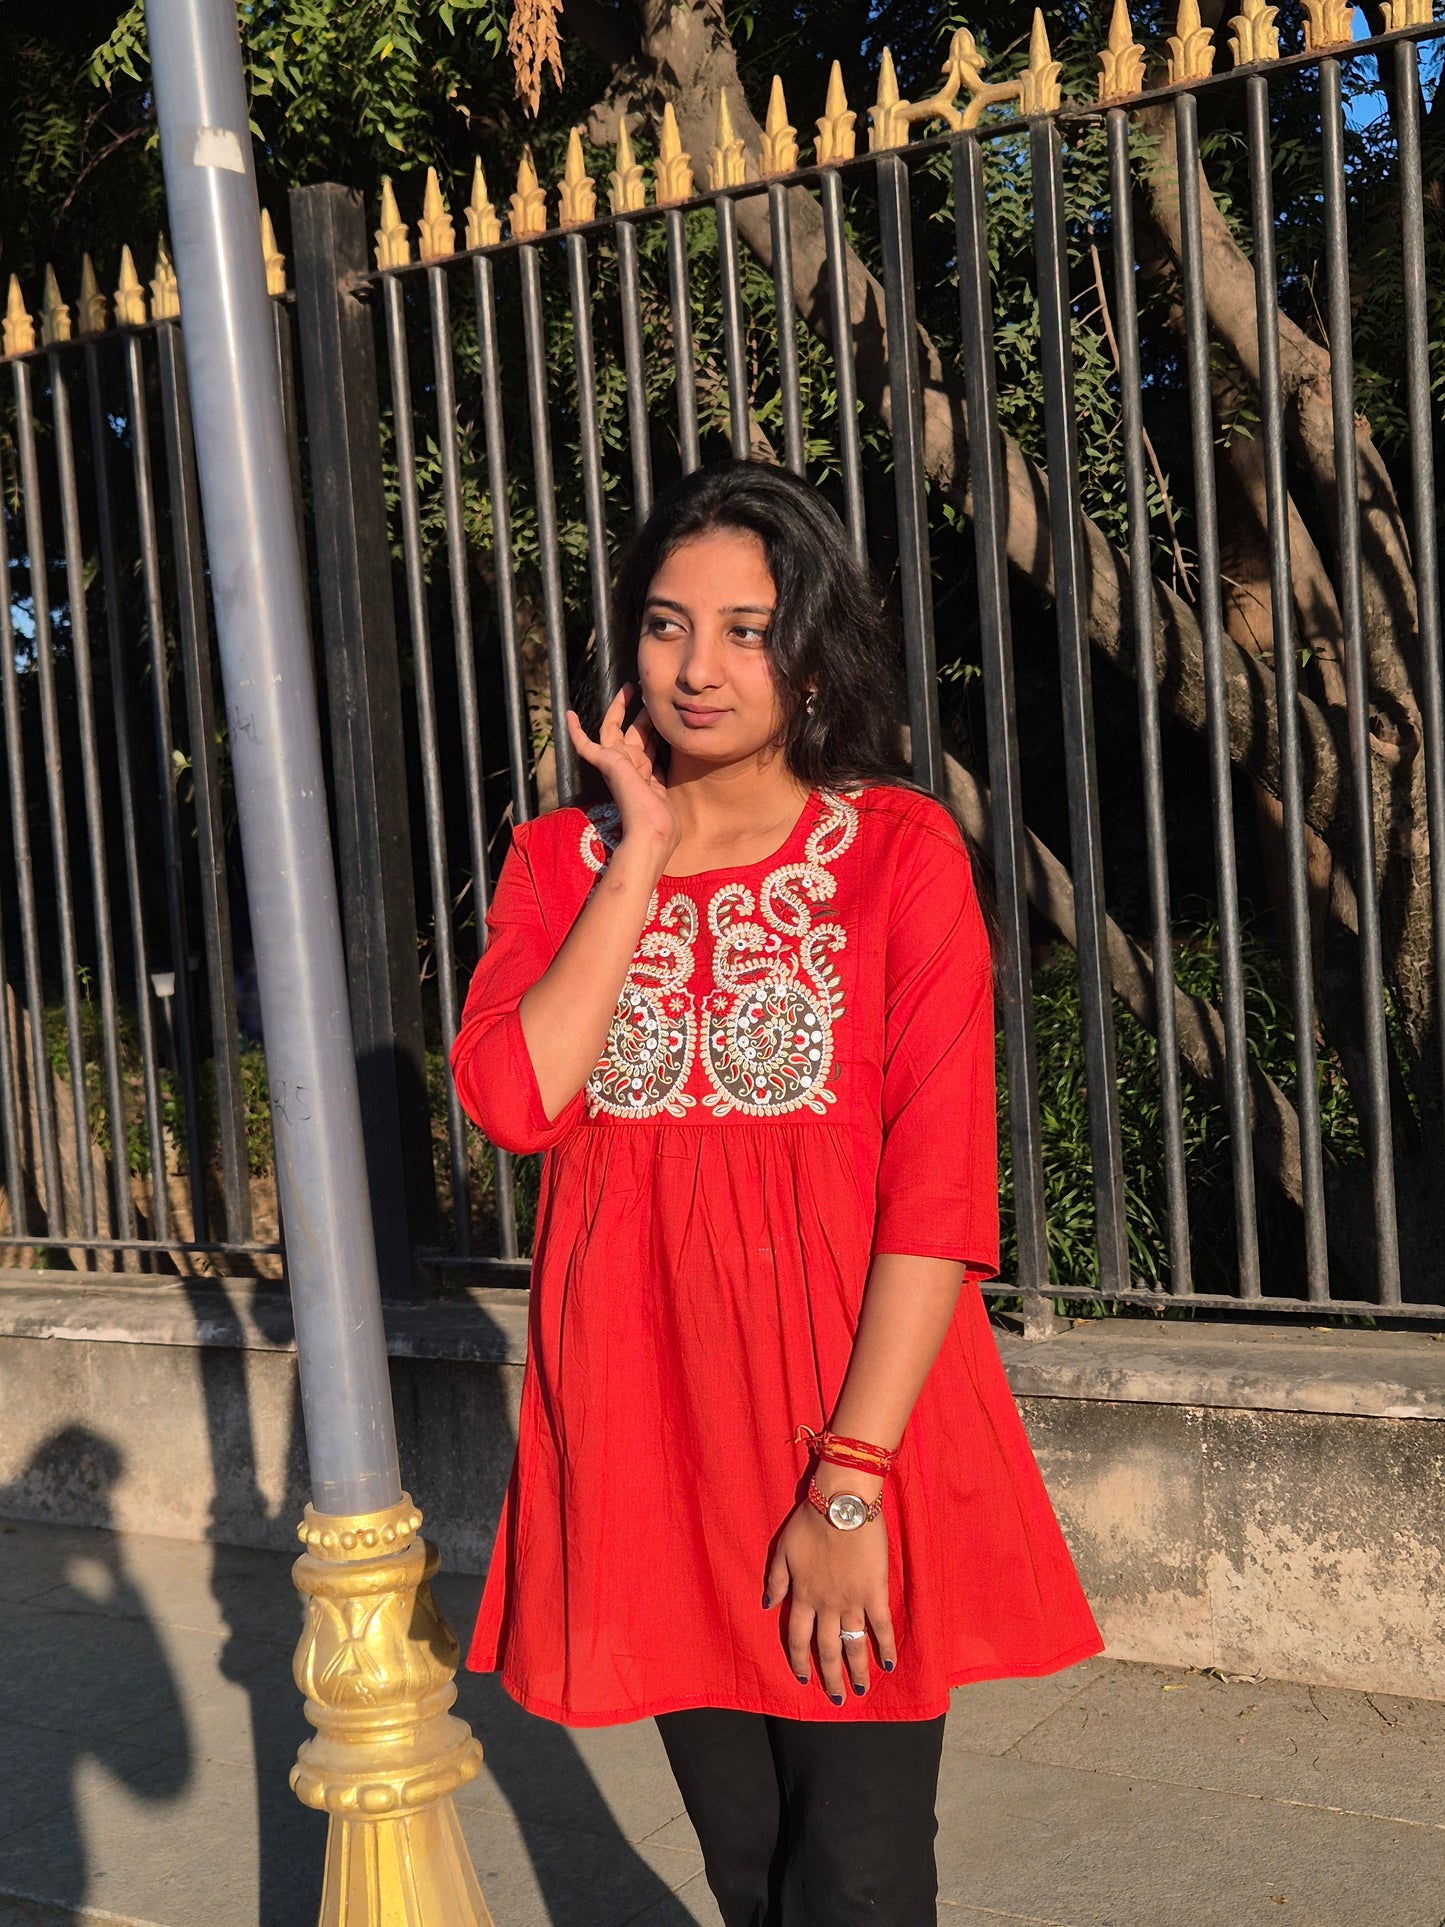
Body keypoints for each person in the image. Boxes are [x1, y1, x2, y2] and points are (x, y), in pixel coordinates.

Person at [452, 462, 1102, 1925]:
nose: (697, 667)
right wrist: (638, 862)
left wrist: (851, 1489)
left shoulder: (894, 851)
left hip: (840, 1420)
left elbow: (936, 1197)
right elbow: (513, 1100)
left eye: (746, 628)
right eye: (667, 624)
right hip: (649, 1426)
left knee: (856, 1879)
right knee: (748, 1874)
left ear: (813, 651)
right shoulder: (565, 862)